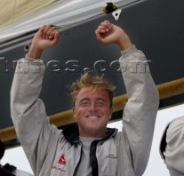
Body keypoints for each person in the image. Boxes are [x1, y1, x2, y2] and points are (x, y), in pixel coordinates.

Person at [10, 20, 159, 175]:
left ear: (110, 111)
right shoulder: (50, 145)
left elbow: (144, 102)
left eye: (100, 102)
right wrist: (35, 51)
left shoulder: (126, 148)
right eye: (85, 102)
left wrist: (124, 42)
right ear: (74, 111)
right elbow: (23, 106)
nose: (92, 108)